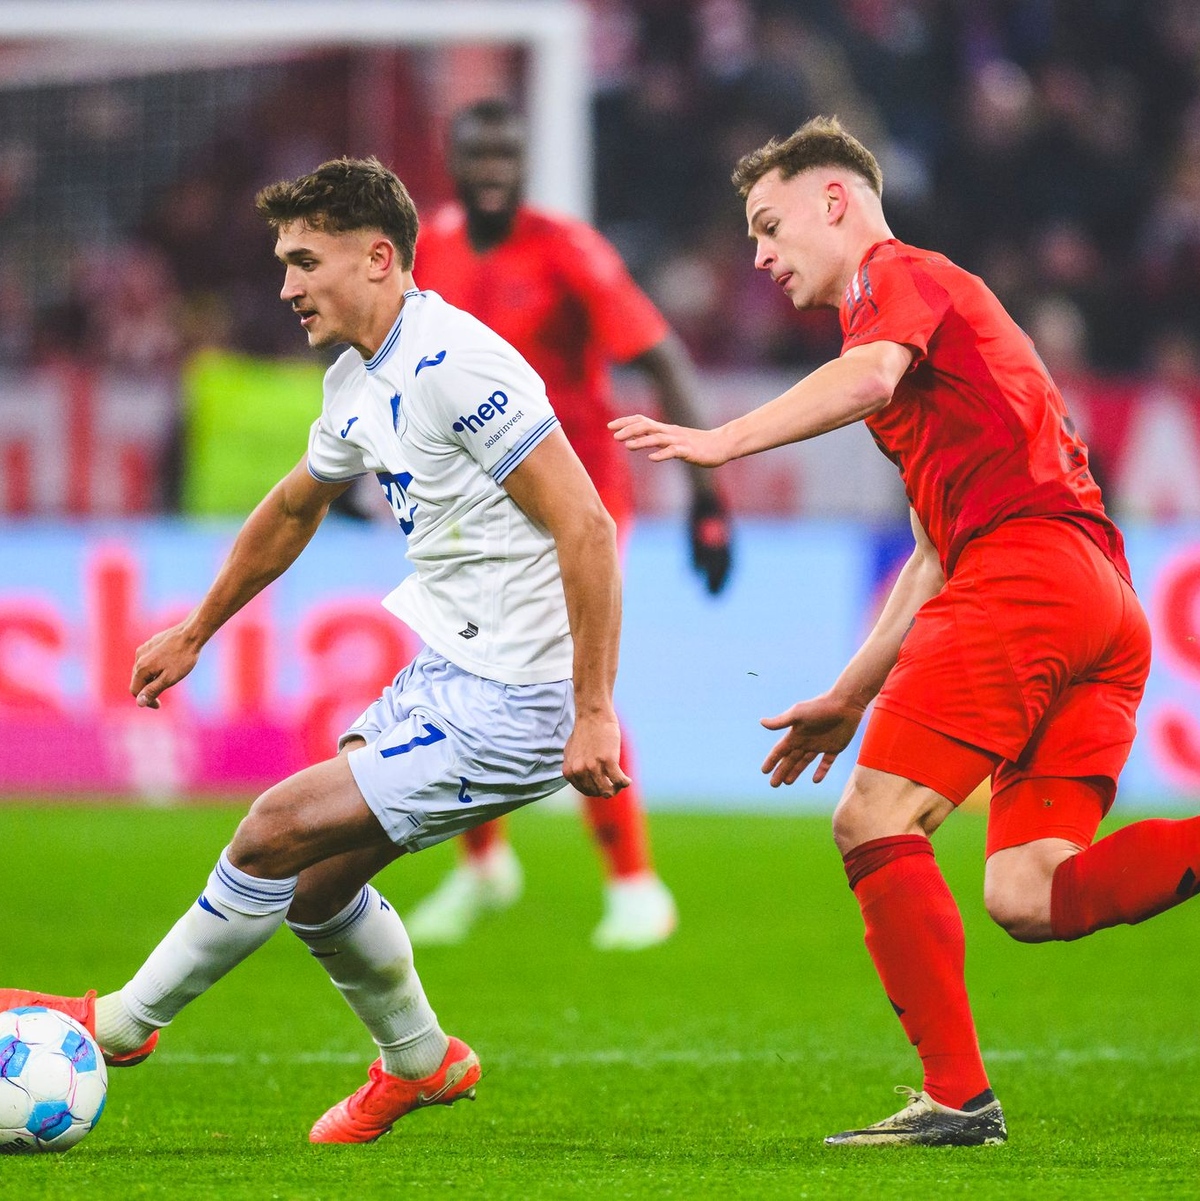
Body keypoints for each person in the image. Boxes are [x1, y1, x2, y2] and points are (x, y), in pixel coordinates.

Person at [3, 156, 629, 1144]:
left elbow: (587, 525)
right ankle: (422, 1061)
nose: (287, 286)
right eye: (283, 263)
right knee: (315, 886)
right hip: (449, 672)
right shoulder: (356, 379)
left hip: (517, 697)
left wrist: (593, 710)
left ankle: (120, 1024)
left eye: (305, 261)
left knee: (271, 825)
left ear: (379, 258)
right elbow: (297, 503)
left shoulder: (455, 364)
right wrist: (197, 628)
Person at [612, 116, 1200, 1147]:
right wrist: (849, 692)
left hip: (1028, 574)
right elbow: (933, 554)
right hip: (1097, 598)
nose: (757, 254)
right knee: (1029, 888)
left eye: (769, 223)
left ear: (835, 201)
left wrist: (724, 439)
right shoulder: (933, 335)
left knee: (873, 817)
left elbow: (872, 380)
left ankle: (958, 1098)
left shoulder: (898, 279)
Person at [406, 99, 732, 951]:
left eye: (506, 152)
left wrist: (707, 495)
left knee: (570, 680)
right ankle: (483, 865)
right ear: (452, 154)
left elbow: (661, 355)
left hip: (575, 501)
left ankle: (635, 883)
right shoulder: (428, 247)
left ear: (524, 159)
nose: (491, 167)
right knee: (458, 666)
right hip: (471, 507)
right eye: (477, 151)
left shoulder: (567, 250)